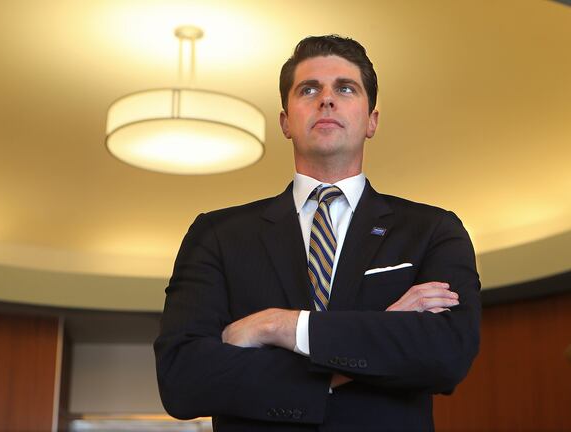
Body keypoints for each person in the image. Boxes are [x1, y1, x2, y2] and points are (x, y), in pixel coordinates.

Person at [154, 34, 481, 431]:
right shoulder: (217, 234)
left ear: (372, 120)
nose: (327, 99)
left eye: (345, 88)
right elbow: (183, 379)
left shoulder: (433, 229)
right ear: (285, 121)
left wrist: (277, 326)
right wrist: (379, 332)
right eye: (309, 89)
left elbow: (445, 354)